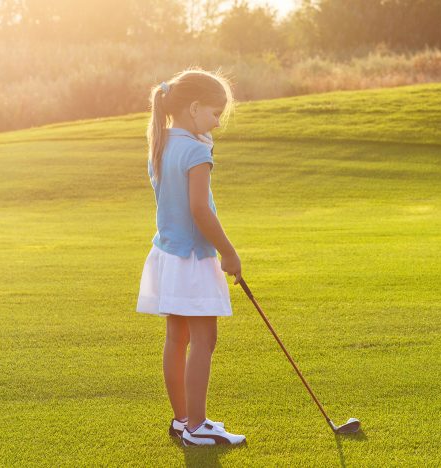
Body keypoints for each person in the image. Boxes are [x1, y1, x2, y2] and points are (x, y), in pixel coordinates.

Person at [136, 69, 247, 445]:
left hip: (168, 255)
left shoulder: (161, 142)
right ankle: (198, 428)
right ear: (195, 107)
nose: (218, 122)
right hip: (195, 258)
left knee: (177, 336)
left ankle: (184, 420)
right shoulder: (197, 151)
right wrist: (229, 253)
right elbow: (201, 210)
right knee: (204, 338)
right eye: (215, 113)